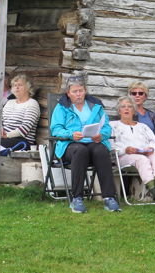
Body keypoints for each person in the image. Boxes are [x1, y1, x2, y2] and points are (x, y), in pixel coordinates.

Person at [50, 75, 120, 213]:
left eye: (81, 90)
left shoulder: (96, 106)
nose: (78, 94)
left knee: (101, 151)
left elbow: (106, 127)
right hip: (70, 145)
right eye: (75, 91)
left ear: (85, 90)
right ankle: (77, 198)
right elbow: (56, 129)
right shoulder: (62, 107)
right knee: (80, 151)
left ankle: (109, 198)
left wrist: (101, 135)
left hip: (92, 142)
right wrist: (71, 134)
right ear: (68, 93)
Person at [110, 96, 155, 205]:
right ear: (119, 110)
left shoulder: (143, 126)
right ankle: (154, 190)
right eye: (123, 107)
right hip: (123, 157)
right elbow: (111, 146)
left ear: (134, 110)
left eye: (129, 107)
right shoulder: (113, 125)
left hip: (144, 153)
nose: (126, 109)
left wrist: (150, 148)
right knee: (141, 159)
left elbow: (154, 142)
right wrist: (125, 150)